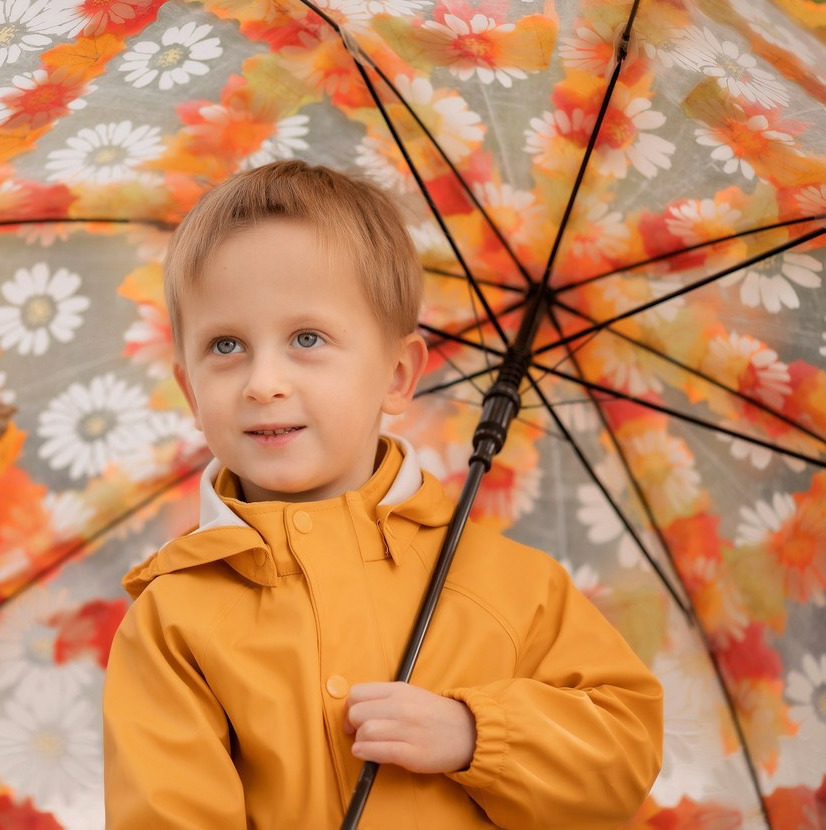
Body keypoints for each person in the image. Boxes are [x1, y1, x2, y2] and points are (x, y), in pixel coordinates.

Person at [102, 160, 663, 828]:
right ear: (192, 392)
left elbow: (623, 748)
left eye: (307, 338)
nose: (263, 382)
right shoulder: (175, 620)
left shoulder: (510, 586)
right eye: (226, 345)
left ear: (397, 375)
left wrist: (475, 734)